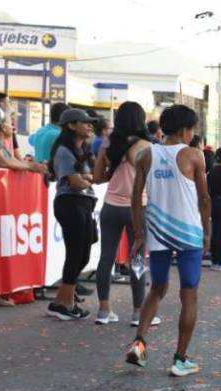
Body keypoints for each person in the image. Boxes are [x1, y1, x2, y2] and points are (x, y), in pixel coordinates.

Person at [124, 104, 211, 377]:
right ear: (186, 130)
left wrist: (138, 233)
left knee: (157, 289)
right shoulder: (194, 155)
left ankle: (139, 342)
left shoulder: (146, 155)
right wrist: (207, 231)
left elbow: (135, 197)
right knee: (189, 294)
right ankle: (180, 358)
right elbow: (204, 198)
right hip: (189, 234)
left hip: (157, 232)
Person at [92, 102, 155, 325]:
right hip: (138, 208)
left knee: (106, 257)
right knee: (137, 258)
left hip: (110, 206)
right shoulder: (146, 145)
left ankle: (103, 310)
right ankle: (139, 312)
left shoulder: (108, 143)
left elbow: (97, 177)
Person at [44, 109, 100, 320]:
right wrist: (87, 179)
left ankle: (61, 300)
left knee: (83, 254)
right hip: (69, 203)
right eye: (85, 122)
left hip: (84, 204)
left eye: (90, 122)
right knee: (76, 253)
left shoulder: (85, 149)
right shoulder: (63, 151)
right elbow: (76, 183)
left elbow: (94, 176)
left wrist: (86, 178)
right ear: (71, 125)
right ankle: (65, 302)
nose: (90, 125)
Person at [0, 108, 47, 173]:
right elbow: (1, 163)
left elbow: (14, 162)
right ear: (4, 127)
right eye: (11, 124)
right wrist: (31, 166)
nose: (13, 127)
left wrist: (34, 163)